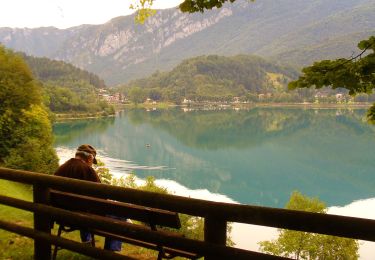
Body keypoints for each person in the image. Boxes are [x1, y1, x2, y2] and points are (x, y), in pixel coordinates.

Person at [54, 144, 122, 251]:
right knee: (118, 215)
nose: (92, 165)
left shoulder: (61, 168)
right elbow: (102, 197)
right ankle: (110, 252)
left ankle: (87, 241)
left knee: (84, 206)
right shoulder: (88, 170)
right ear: (90, 157)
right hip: (81, 219)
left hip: (61, 216)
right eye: (92, 161)